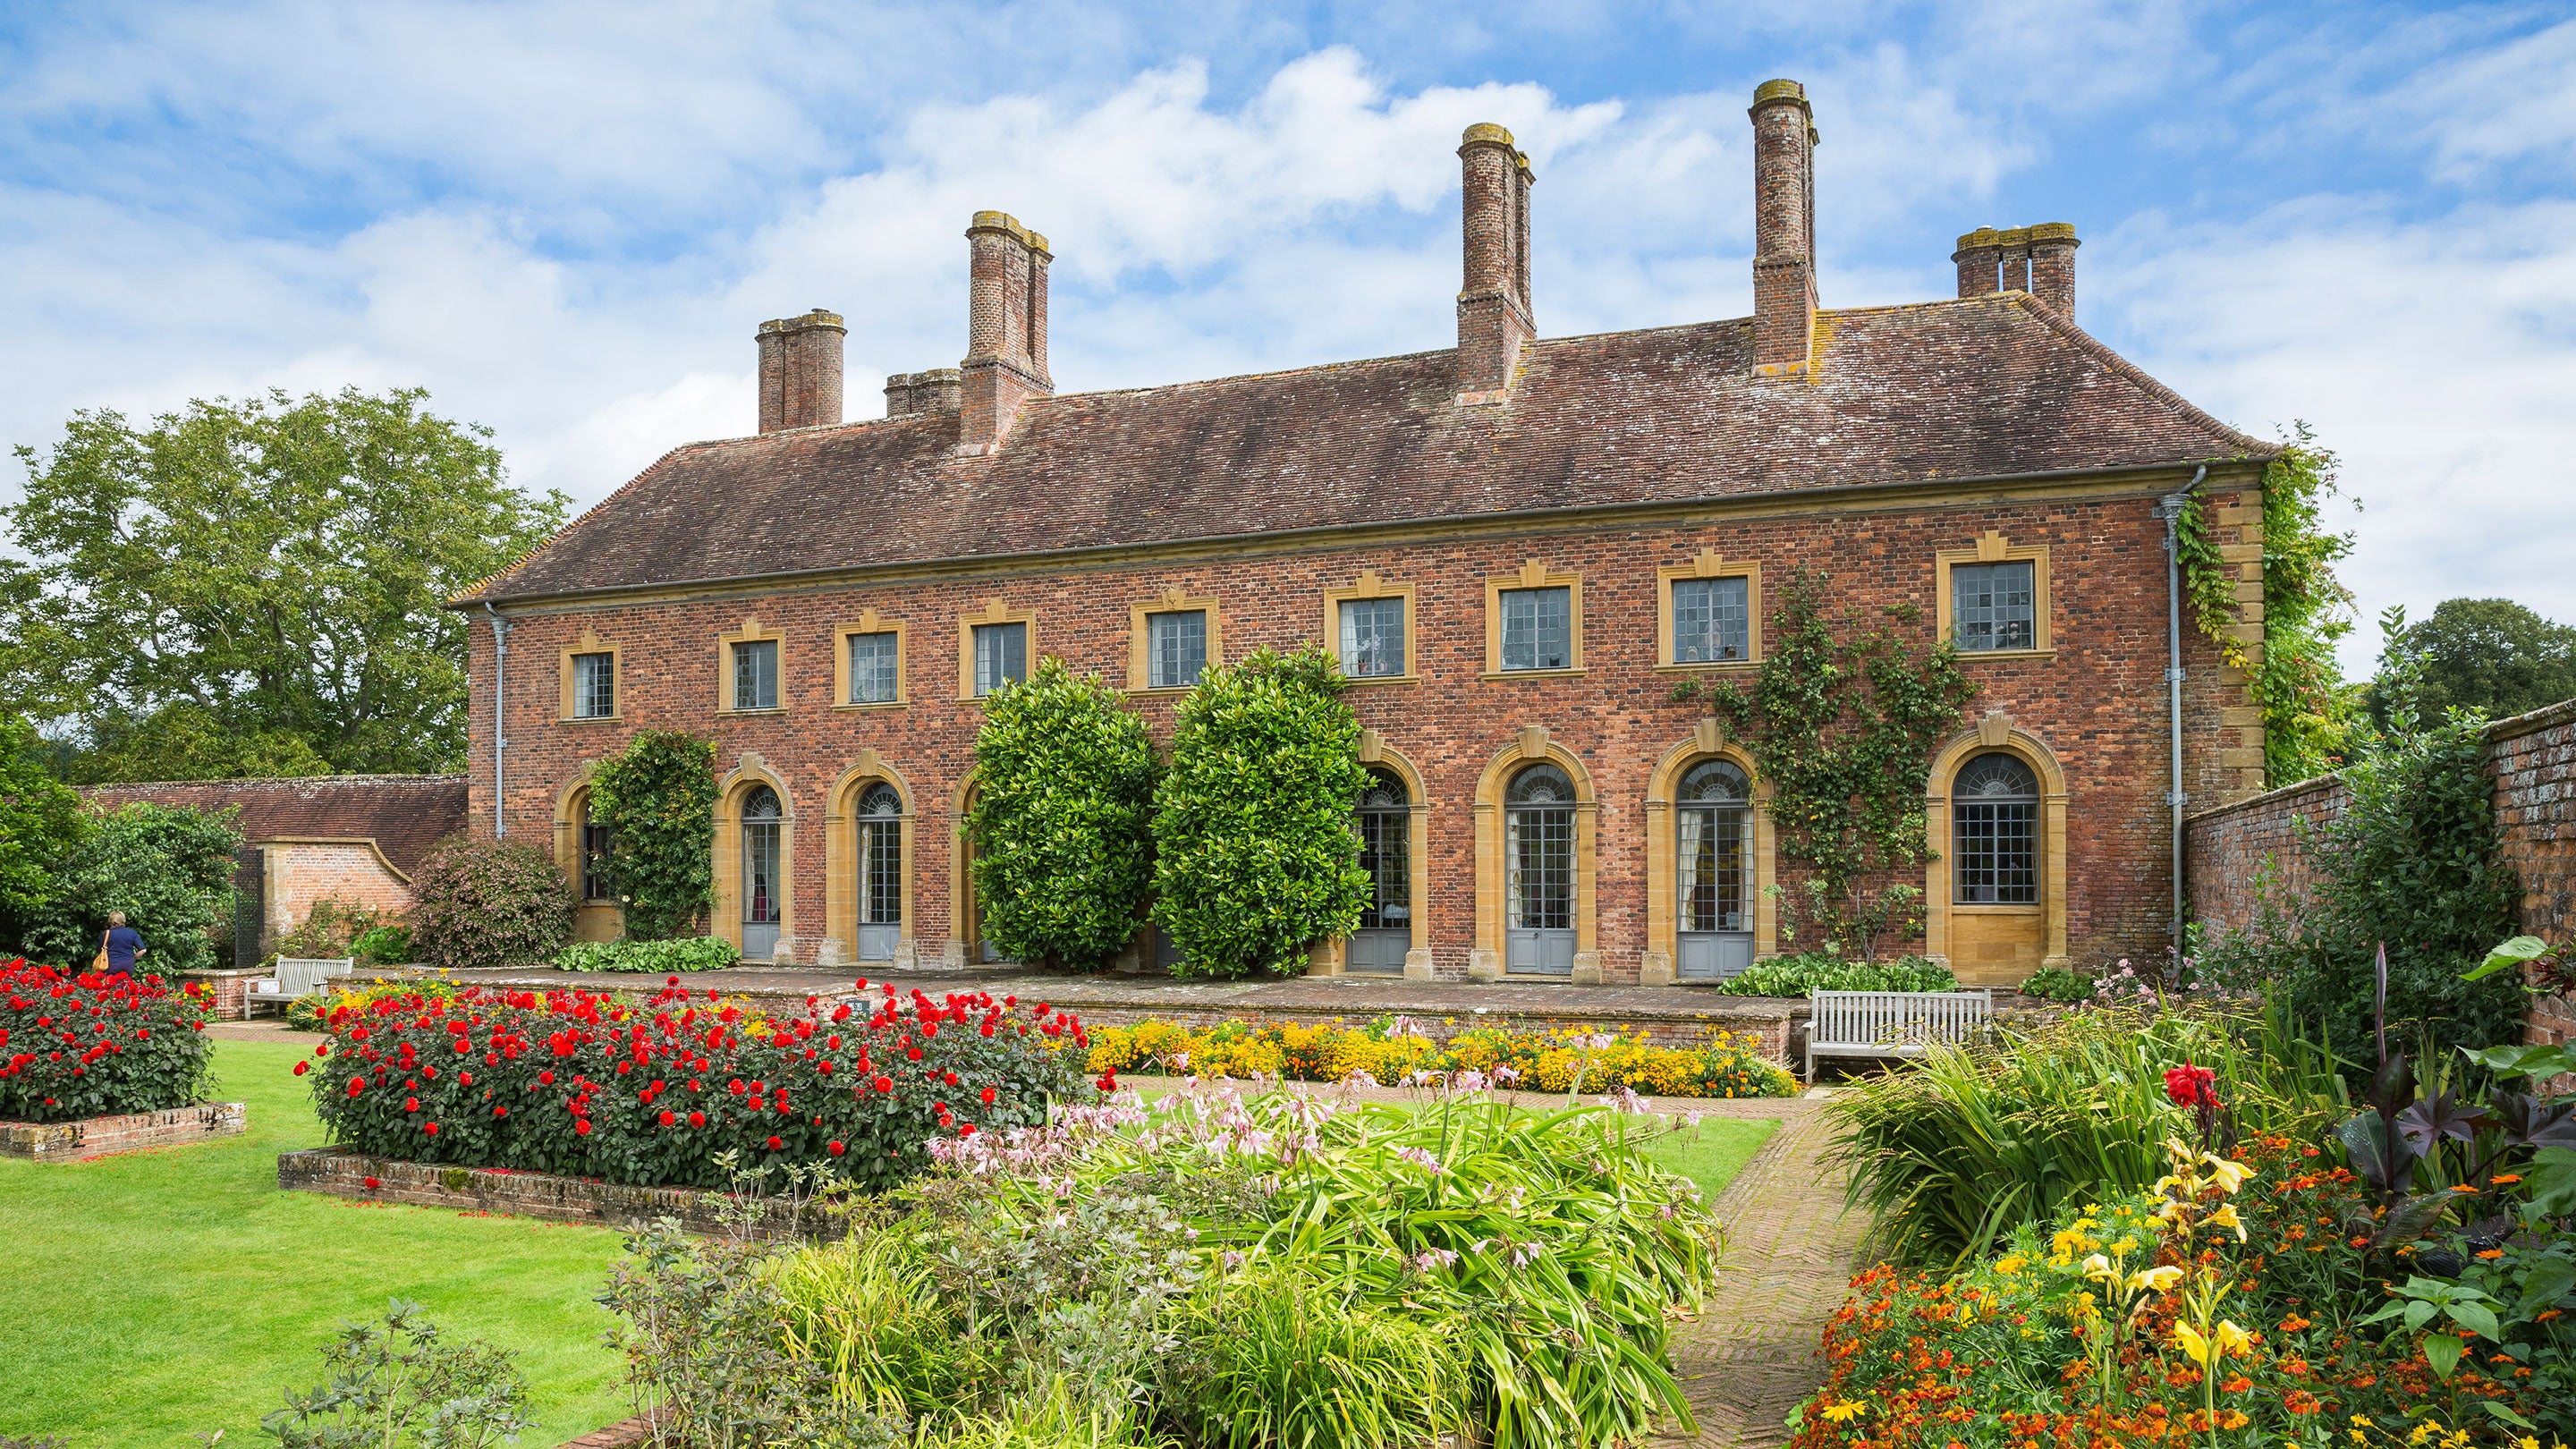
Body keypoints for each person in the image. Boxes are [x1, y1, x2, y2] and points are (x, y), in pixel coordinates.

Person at [99, 911, 146, 978]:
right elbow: (143, 950)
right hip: (128, 965)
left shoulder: (106, 934)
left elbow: (99, 950)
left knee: (111, 986)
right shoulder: (132, 933)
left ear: (111, 921)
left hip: (112, 965)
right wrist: (133, 958)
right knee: (126, 985)